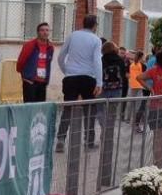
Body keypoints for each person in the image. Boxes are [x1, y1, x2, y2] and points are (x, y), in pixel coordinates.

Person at [55, 14, 103, 151]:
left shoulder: (72, 35)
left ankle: (61, 139)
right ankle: (89, 141)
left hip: (71, 77)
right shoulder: (96, 40)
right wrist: (99, 82)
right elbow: (97, 61)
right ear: (94, 25)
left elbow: (61, 56)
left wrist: (67, 71)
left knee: (67, 108)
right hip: (88, 77)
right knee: (90, 110)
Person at [16, 22, 54, 103]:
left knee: (39, 109)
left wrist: (46, 79)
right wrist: (26, 76)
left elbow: (48, 63)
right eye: (42, 30)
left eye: (47, 30)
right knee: (29, 108)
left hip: (42, 82)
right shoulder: (30, 45)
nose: (45, 32)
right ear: (38, 32)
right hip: (30, 81)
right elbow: (21, 62)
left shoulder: (50, 47)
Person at [126, 50, 147, 123]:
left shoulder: (131, 65)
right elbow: (144, 75)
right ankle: (134, 119)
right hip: (139, 85)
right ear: (141, 57)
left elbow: (128, 74)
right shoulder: (143, 65)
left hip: (132, 85)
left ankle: (127, 118)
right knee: (138, 104)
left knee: (130, 103)